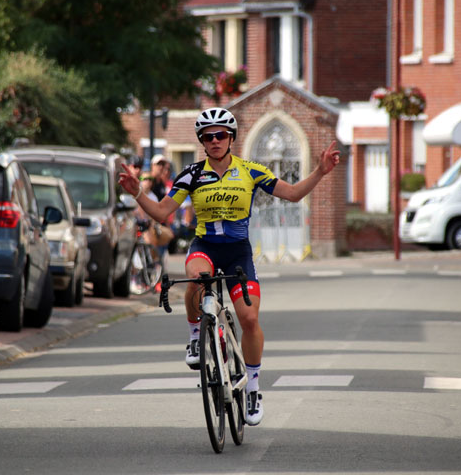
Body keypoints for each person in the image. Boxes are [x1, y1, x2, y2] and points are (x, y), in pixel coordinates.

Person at [118, 107, 340, 426]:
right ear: (202, 142)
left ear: (231, 138)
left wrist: (319, 172)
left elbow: (291, 194)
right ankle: (196, 336)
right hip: (205, 246)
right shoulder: (192, 175)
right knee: (196, 275)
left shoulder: (250, 170)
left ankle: (252, 388)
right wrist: (138, 191)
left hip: (238, 253)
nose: (215, 141)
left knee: (249, 319)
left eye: (221, 134)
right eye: (208, 137)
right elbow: (163, 212)